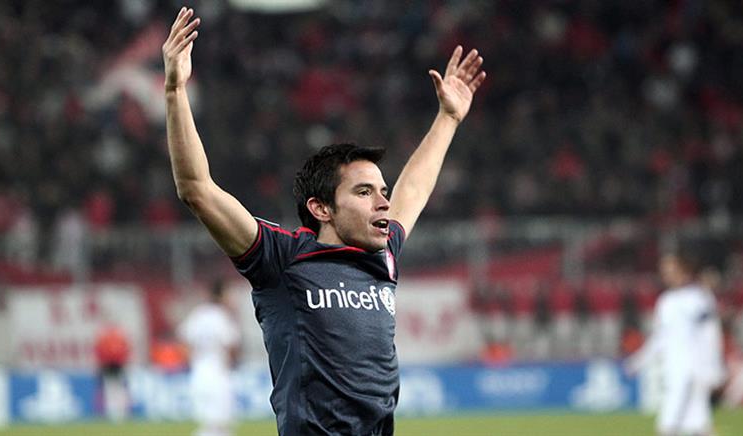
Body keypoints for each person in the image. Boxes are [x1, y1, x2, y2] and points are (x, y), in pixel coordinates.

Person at [160, 6, 486, 435]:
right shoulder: (282, 258)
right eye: (364, 192)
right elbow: (197, 189)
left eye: (382, 192)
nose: (384, 203)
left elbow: (414, 190)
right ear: (321, 209)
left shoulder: (383, 254)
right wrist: (175, 91)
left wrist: (448, 118)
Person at [625, 251, 725, 436]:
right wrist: (639, 360)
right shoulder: (666, 301)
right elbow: (659, 337)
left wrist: (714, 365)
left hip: (698, 363)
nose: (668, 276)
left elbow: (710, 334)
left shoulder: (700, 298)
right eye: (665, 272)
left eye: (672, 271)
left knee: (690, 416)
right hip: (675, 364)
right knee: (683, 415)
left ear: (685, 272)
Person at [178, 280, 240, 436]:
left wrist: (192, 359)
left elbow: (184, 339)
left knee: (210, 423)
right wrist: (230, 362)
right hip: (218, 371)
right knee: (219, 426)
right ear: (221, 295)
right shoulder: (221, 316)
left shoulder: (198, 314)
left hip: (199, 371)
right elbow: (231, 344)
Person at [94, 321, 131, 422]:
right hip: (114, 366)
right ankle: (117, 411)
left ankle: (115, 411)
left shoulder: (105, 339)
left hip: (111, 366)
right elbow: (125, 351)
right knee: (115, 388)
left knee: (113, 389)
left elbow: (99, 352)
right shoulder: (118, 339)